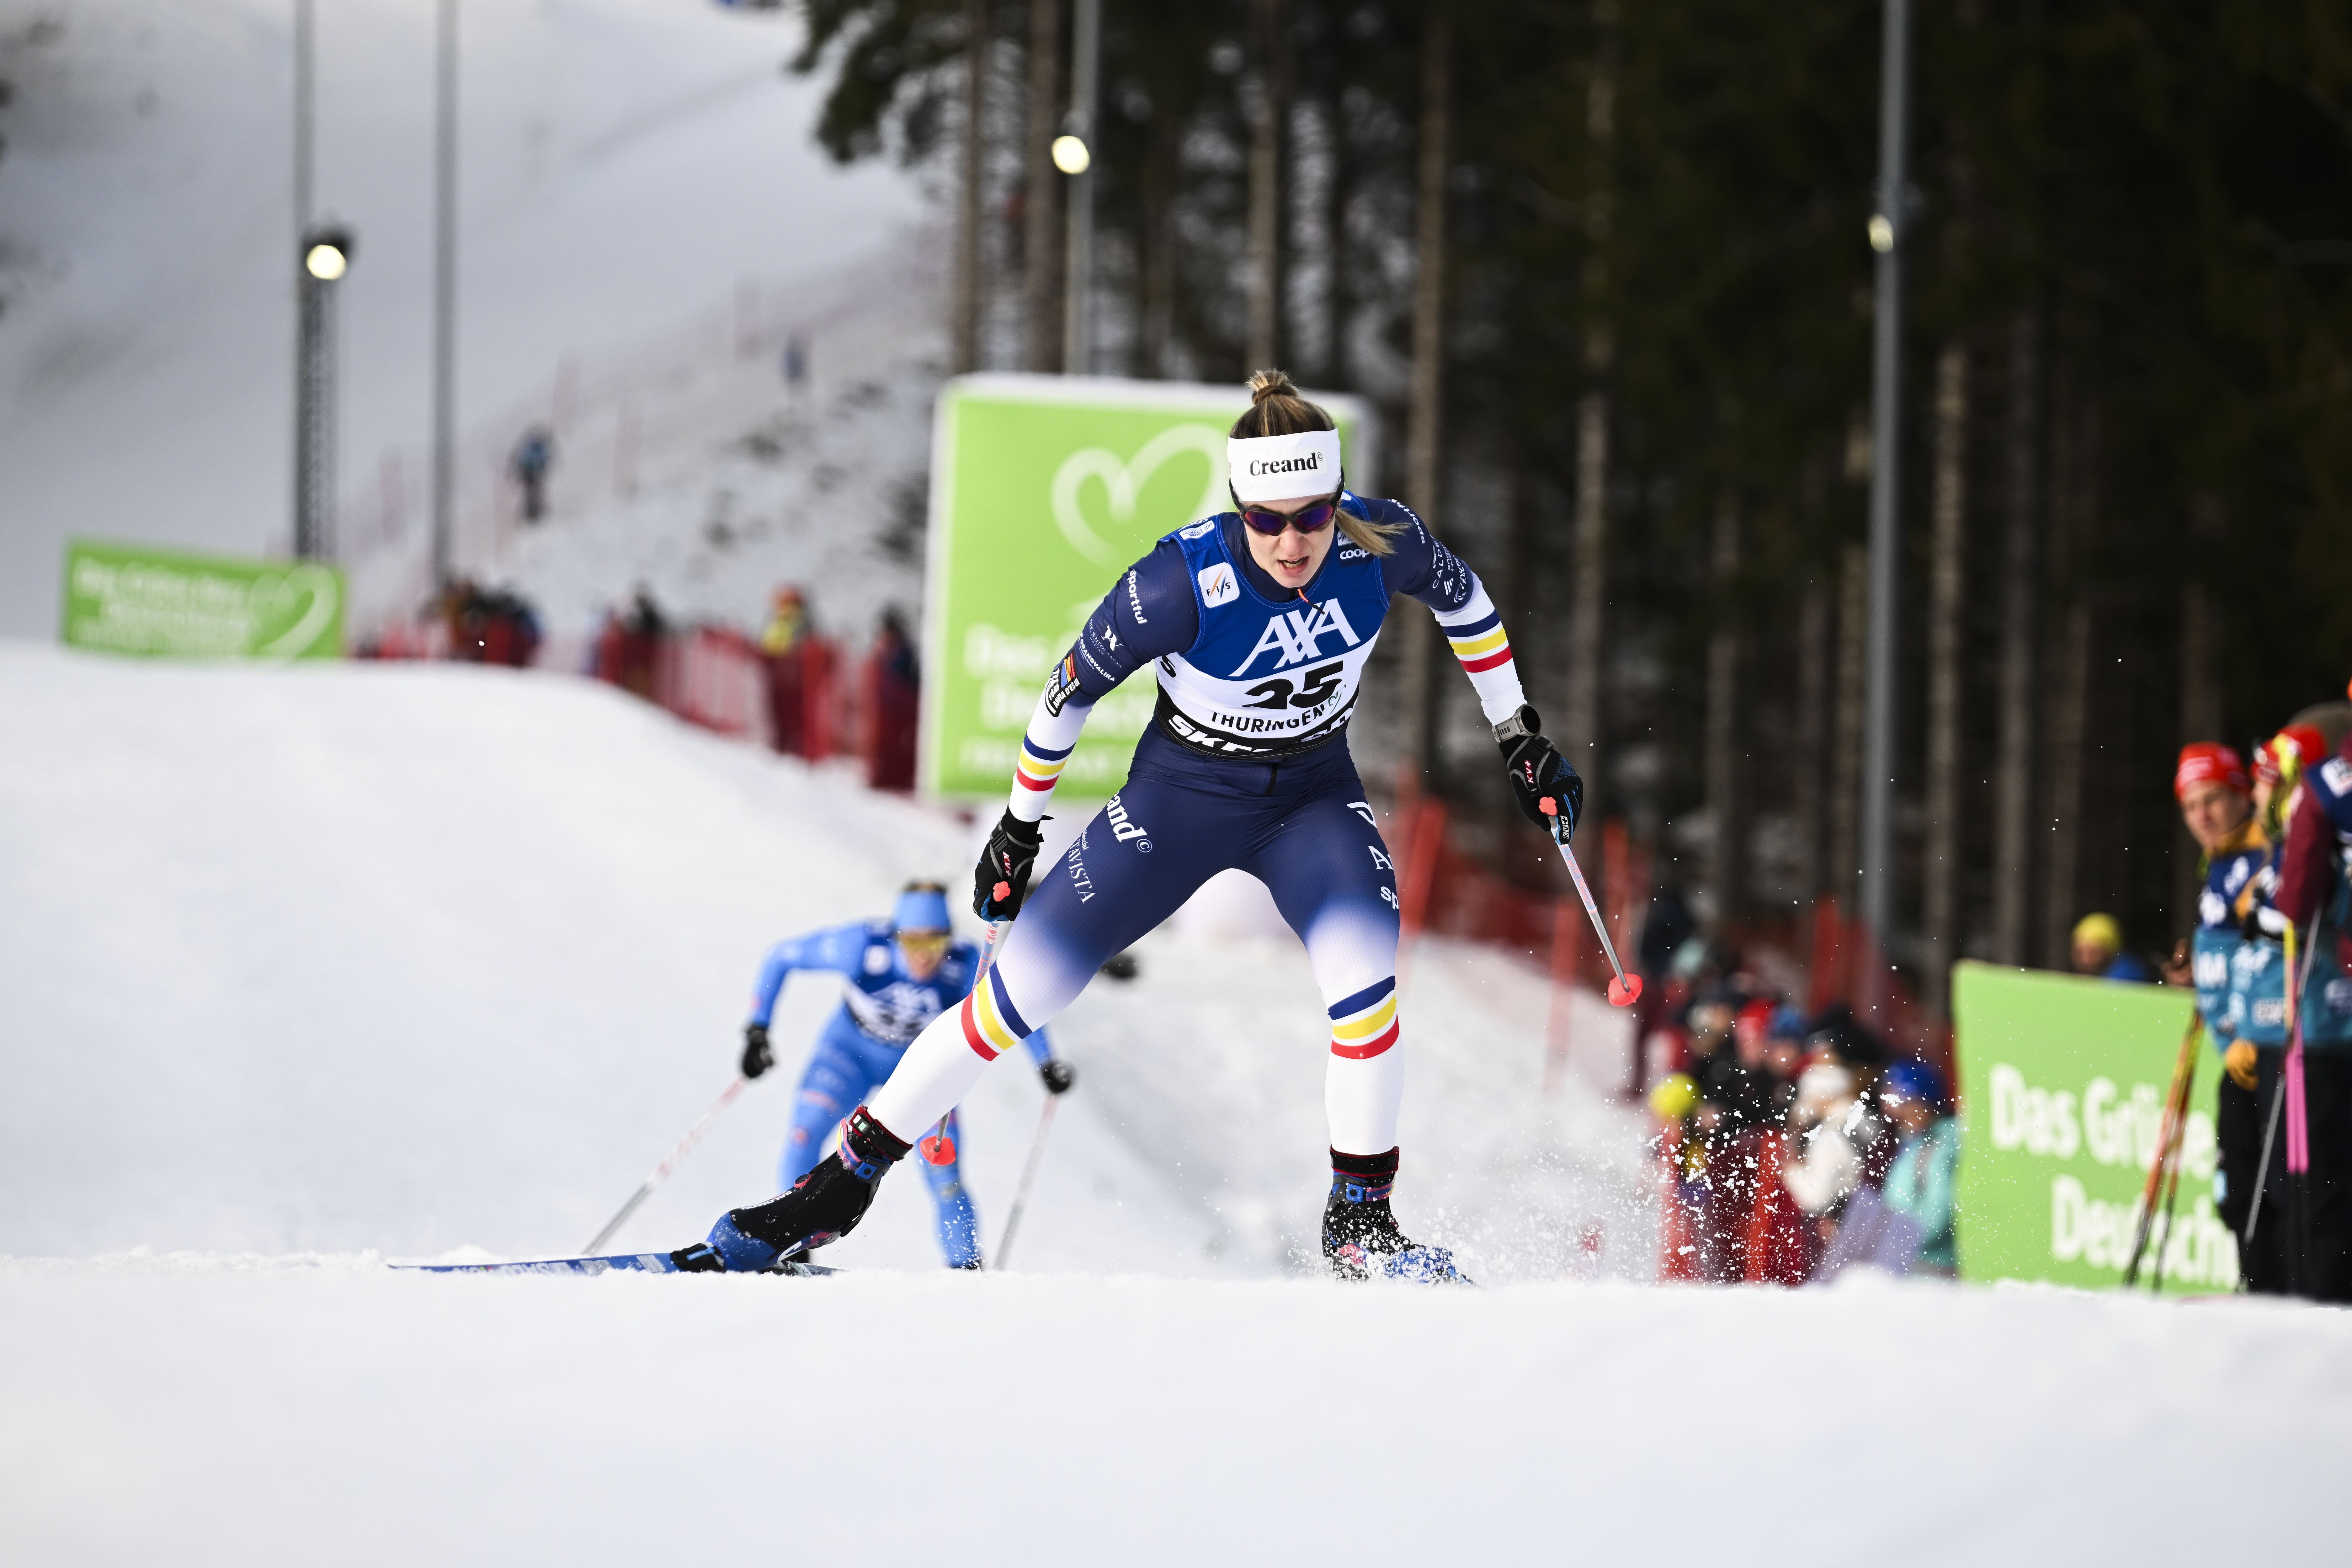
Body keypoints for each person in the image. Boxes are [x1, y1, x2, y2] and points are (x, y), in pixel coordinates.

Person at [668, 370, 1584, 1280]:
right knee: (1008, 1003)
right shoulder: (1178, 580)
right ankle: (834, 1191)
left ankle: (1360, 1224)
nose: (1293, 541)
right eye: (1266, 520)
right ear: (1238, 508)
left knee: (1365, 986)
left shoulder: (1379, 540)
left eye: (1311, 515)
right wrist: (1020, 830)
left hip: (1309, 798)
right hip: (1177, 801)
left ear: (1337, 501)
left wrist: (1518, 736)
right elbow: (1067, 693)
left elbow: (1467, 604)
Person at [736, 882, 1073, 1270]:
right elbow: (779, 957)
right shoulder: (861, 946)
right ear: (895, 933)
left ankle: (966, 1268)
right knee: (804, 1131)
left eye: (934, 944)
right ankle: (790, 1247)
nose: (924, 956)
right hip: (849, 1055)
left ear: (949, 937)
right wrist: (757, 1029)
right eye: (912, 943)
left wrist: (1046, 1061)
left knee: (943, 1169)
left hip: (921, 1068)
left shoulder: (965, 964)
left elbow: (1011, 1005)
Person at [2259, 696, 2352, 1301]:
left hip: (2328, 1019)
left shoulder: (2322, 785)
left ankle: (2319, 1302)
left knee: (2319, 1177)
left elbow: (2293, 904)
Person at [2070, 913, 2153, 983]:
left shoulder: (2130, 975)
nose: (2086, 960)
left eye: (2094, 953)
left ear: (2111, 951)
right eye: (2080, 953)